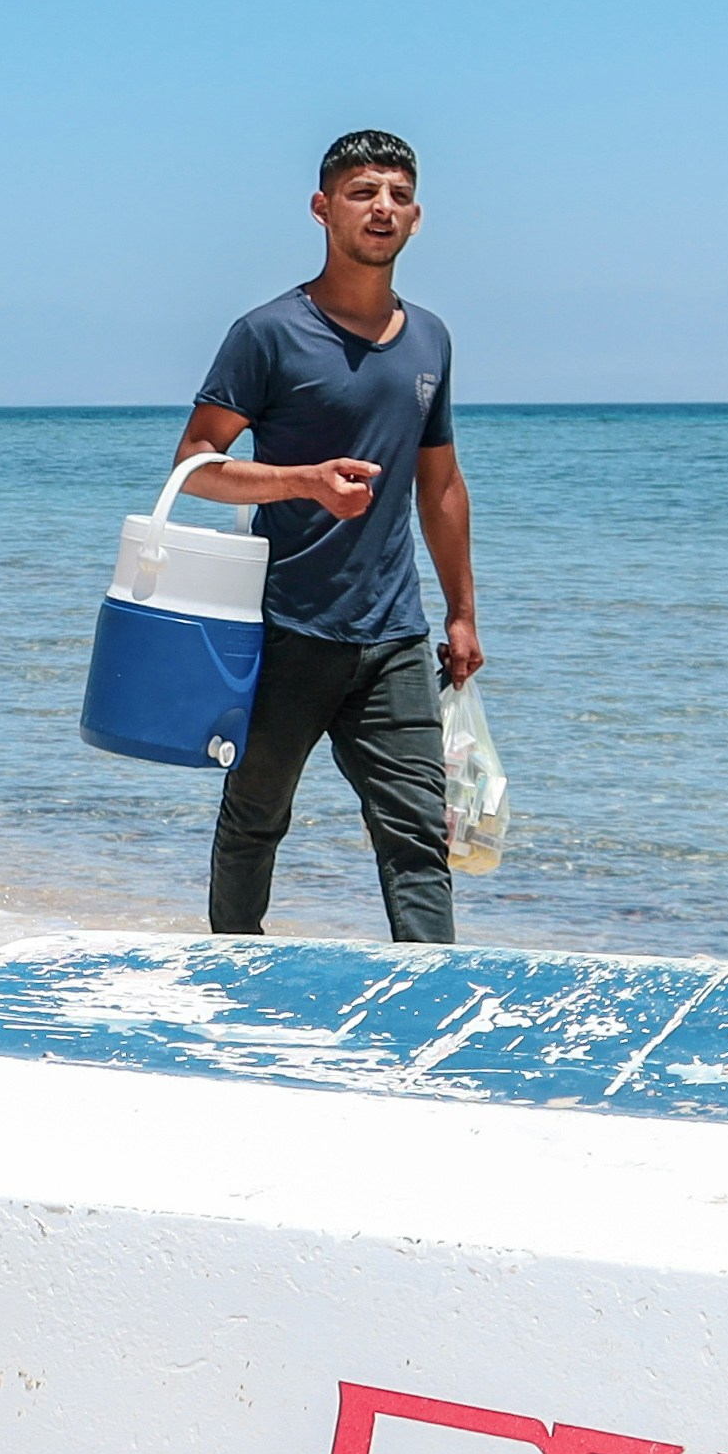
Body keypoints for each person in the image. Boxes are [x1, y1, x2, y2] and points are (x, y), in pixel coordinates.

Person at [172, 129, 483, 942]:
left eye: (396, 195)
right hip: (283, 630)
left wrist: (460, 614)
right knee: (255, 817)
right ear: (322, 208)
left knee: (418, 835)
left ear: (415, 218)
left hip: (393, 636)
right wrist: (299, 481)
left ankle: (430, 989)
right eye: (360, 192)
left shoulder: (430, 339)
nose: (380, 208)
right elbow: (196, 465)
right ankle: (232, 967)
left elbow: (440, 483)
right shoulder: (268, 333)